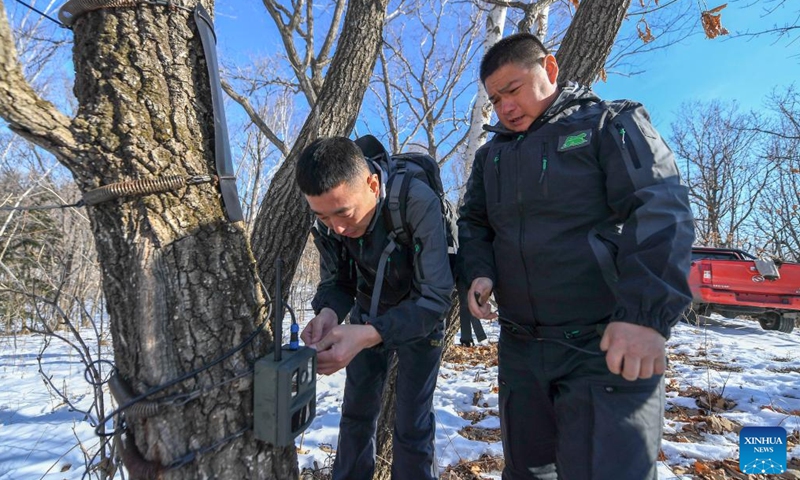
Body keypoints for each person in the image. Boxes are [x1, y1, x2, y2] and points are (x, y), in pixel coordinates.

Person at [457, 33, 694, 480]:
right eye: (494, 99)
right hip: (522, 351)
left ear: (549, 69)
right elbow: (474, 224)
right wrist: (479, 273)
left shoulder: (611, 124)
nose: (504, 107)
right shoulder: (491, 157)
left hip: (604, 347)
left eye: (513, 90)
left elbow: (661, 207)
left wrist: (645, 316)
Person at [296, 136, 454, 480]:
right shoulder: (331, 222)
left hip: (420, 317)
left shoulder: (415, 200)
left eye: (343, 213)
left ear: (372, 183)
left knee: (412, 422)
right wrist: (327, 314)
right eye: (322, 216)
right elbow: (337, 282)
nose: (336, 227)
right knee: (355, 415)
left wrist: (370, 334)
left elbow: (436, 298)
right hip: (366, 312)